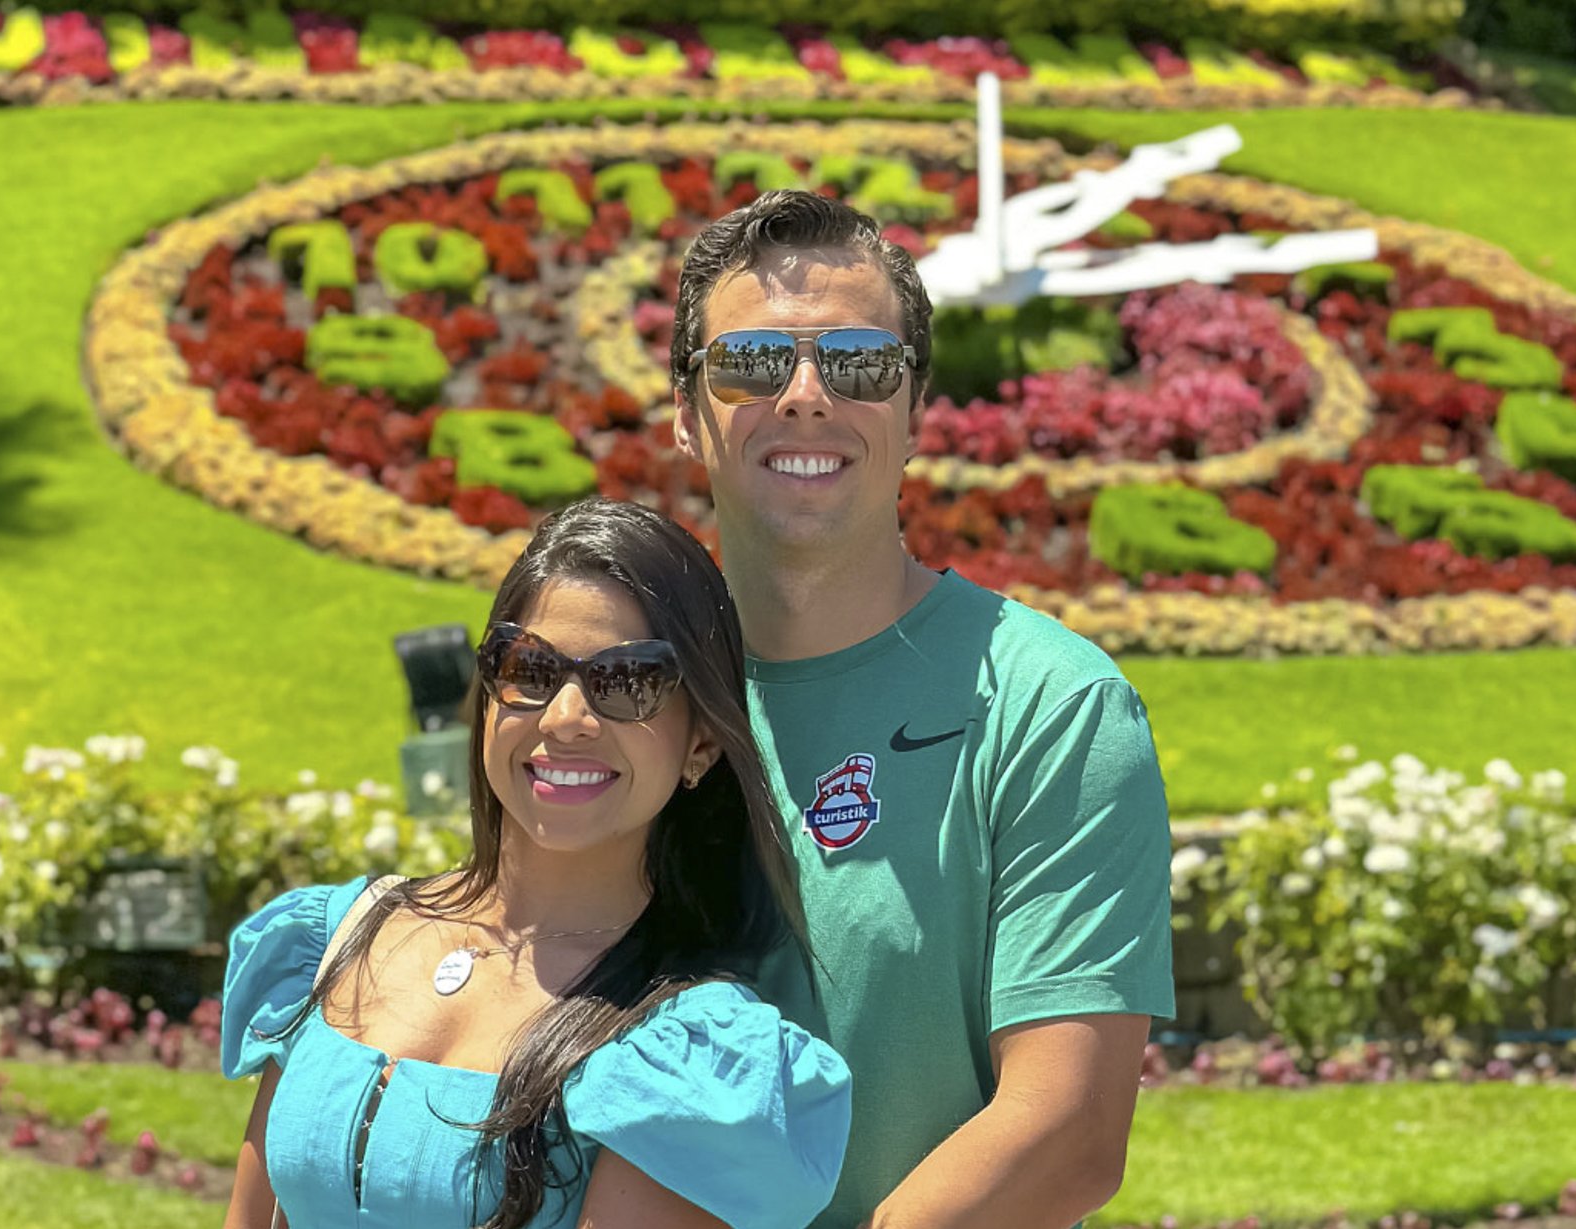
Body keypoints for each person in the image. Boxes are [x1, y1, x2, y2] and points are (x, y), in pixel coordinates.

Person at [668, 189, 1177, 1229]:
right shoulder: (628, 693)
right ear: (685, 412)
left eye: (859, 363)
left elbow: (1069, 1129)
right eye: (751, 362)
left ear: (914, 412)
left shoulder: (1050, 704)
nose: (805, 395)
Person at [220, 498, 852, 1229]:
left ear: (701, 744)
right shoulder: (333, 940)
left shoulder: (688, 1057)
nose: (564, 716)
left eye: (626, 681)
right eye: (531, 666)